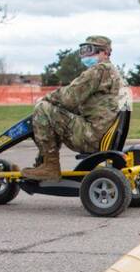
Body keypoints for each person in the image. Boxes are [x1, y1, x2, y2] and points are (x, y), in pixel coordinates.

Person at [22, 35, 129, 180]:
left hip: (91, 137)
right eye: (83, 50)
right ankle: (43, 162)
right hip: (103, 134)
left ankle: (50, 167)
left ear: (105, 52)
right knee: (59, 115)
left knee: (43, 108)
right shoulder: (113, 72)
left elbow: (69, 97)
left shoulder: (98, 71)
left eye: (91, 50)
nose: (86, 55)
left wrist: (46, 98)